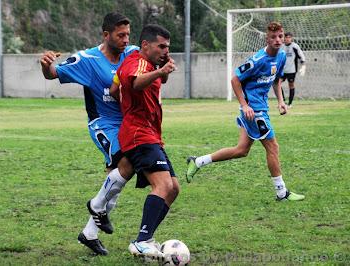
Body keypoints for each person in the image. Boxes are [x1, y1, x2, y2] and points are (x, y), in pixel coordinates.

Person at [40, 12, 138, 255]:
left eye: (128, 34)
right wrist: (46, 65)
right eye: (120, 35)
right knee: (127, 163)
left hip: (129, 122)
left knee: (117, 180)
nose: (126, 39)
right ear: (106, 35)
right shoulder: (87, 59)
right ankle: (95, 209)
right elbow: (52, 73)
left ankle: (89, 233)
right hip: (103, 123)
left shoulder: (133, 53)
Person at [186, 22, 305, 202]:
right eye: (273, 37)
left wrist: (281, 101)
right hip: (253, 110)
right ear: (267, 39)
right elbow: (235, 79)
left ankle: (198, 161)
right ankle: (282, 193)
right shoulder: (258, 60)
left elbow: (276, 81)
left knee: (241, 150)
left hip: (260, 107)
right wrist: (245, 105)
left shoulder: (281, 57)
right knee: (273, 147)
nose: (278, 40)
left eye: (280, 36)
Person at [112, 24, 179, 260]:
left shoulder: (149, 65)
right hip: (139, 134)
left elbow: (115, 89)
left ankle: (147, 238)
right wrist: (160, 72)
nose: (164, 50)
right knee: (163, 186)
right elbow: (136, 83)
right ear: (145, 45)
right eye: (161, 46)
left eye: (167, 47)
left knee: (173, 189)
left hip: (150, 134)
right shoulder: (138, 62)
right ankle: (141, 242)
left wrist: (162, 69)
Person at [281, 32, 306, 107]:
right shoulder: (281, 47)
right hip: (282, 70)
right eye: (286, 37)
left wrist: (303, 65)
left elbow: (301, 56)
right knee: (277, 84)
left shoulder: (295, 46)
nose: (287, 39)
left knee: (291, 85)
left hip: (291, 70)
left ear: (291, 38)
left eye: (289, 37)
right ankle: (282, 101)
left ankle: (290, 103)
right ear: (284, 38)